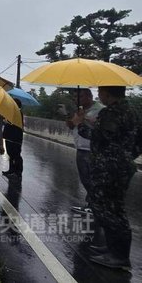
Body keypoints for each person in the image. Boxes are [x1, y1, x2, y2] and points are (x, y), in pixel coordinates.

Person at [72, 86, 138, 271]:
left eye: (101, 92)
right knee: (114, 208)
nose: (99, 95)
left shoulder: (111, 113)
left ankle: (119, 256)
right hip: (121, 165)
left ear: (108, 93)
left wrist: (80, 123)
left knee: (108, 209)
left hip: (108, 167)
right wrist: (125, 156)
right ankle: (113, 248)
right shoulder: (132, 111)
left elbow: (97, 137)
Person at [65, 88, 103, 215]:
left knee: (92, 179)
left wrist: (83, 118)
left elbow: (98, 127)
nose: (77, 99)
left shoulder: (100, 109)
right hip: (80, 147)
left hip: (92, 148)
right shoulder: (80, 110)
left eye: (80, 97)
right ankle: (92, 203)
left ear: (89, 97)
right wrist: (68, 116)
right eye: (76, 97)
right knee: (85, 178)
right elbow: (72, 125)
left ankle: (94, 206)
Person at [1, 98, 24, 177]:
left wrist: (6, 121)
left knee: (16, 155)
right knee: (10, 154)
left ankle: (18, 171)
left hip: (15, 138)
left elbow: (14, 123)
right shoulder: (12, 112)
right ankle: (11, 170)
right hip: (9, 137)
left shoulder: (18, 113)